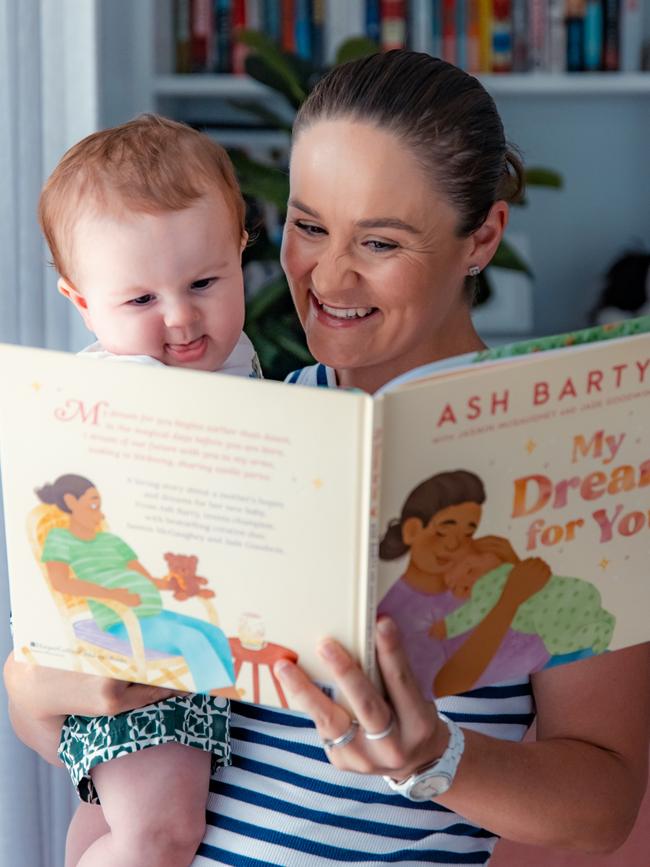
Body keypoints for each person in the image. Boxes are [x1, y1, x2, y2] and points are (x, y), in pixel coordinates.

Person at [5, 51, 650, 866]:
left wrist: (436, 760)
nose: (329, 275)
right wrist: (37, 687)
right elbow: (70, 714)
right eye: (309, 226)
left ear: (482, 235)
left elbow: (603, 808)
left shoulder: (563, 461)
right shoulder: (241, 413)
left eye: (379, 240)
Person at [30, 114, 261, 867]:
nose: (181, 316)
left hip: (176, 652)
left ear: (241, 253)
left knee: (114, 830)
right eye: (139, 301)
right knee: (161, 836)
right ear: (81, 302)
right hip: (131, 661)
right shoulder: (118, 386)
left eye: (204, 282)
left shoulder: (240, 361)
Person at [377, 470, 553, 699]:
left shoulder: (479, 577)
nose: (453, 544)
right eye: (442, 531)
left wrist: (513, 568)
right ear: (412, 530)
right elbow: (445, 684)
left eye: (468, 534)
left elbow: (554, 625)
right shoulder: (395, 607)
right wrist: (509, 599)